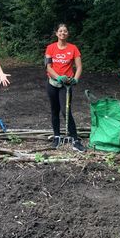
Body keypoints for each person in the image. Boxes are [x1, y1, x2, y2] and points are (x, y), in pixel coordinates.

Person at [45, 23, 86, 152]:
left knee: (65, 110)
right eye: (60, 31)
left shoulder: (73, 48)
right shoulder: (50, 48)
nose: (63, 33)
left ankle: (75, 140)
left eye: (65, 31)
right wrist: (58, 77)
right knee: (54, 110)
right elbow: (48, 67)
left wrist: (76, 79)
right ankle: (57, 137)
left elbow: (79, 66)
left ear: (67, 34)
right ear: (57, 33)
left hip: (66, 85)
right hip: (53, 82)